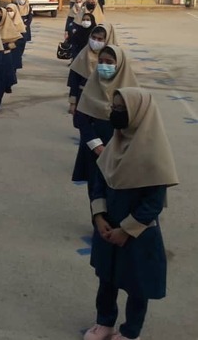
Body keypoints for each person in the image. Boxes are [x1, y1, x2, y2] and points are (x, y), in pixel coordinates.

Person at [84, 87, 179, 340]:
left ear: (138, 113)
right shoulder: (114, 145)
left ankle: (130, 331)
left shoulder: (153, 152)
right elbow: (98, 184)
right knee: (106, 278)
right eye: (114, 108)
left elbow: (153, 202)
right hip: (108, 227)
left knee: (137, 285)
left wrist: (126, 230)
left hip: (138, 233)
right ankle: (105, 322)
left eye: (122, 109)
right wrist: (99, 216)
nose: (115, 113)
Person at [73, 45, 138, 200]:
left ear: (119, 64)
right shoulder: (92, 85)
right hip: (95, 148)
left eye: (109, 62)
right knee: (95, 190)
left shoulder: (132, 90)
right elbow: (81, 119)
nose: (104, 66)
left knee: (117, 192)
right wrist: (96, 146)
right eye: (101, 61)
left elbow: (139, 121)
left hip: (121, 149)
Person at [68, 26, 108, 116]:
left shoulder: (111, 58)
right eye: (93, 38)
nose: (95, 41)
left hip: (104, 100)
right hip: (83, 98)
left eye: (100, 39)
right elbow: (74, 81)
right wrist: (73, 103)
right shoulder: (82, 56)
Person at [0, 6, 21, 97]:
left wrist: (8, 46)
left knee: (5, 76)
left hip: (5, 55)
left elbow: (19, 40)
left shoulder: (9, 26)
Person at [5, 3, 28, 70]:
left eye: (11, 11)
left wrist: (12, 45)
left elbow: (23, 39)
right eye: (7, 11)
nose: (9, 13)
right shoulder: (2, 22)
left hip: (14, 50)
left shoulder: (19, 24)